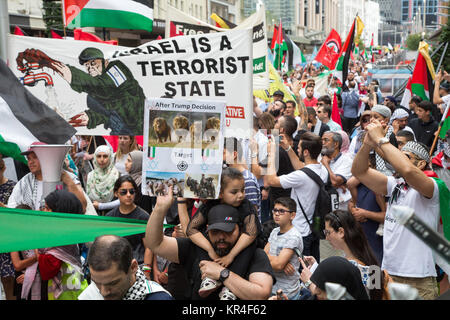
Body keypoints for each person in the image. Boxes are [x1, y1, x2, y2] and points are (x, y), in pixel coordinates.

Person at [352, 121, 442, 299]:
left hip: (418, 279)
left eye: (405, 156)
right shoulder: (395, 184)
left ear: (422, 164)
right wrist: (367, 145)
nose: (398, 161)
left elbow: (408, 170)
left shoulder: (432, 187)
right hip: (388, 273)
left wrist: (380, 139)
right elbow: (358, 171)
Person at [145, 190, 275, 300]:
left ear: (240, 229)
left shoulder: (255, 254)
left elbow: (261, 294)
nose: (221, 237)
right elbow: (155, 243)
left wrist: (222, 273)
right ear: (207, 229)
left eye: (228, 231)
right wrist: (159, 209)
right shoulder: (194, 247)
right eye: (215, 232)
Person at [185, 167, 261, 300]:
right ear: (220, 193)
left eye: (242, 190)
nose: (241, 195)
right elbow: (191, 229)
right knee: (200, 237)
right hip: (214, 252)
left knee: (251, 243)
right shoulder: (210, 204)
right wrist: (209, 250)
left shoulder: (246, 205)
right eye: (234, 192)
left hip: (238, 249)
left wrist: (231, 256)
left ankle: (230, 289)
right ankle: (209, 278)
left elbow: (251, 232)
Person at [51, 47, 146, 135]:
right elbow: (101, 114)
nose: (90, 68)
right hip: (123, 133)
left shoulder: (116, 68)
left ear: (105, 62)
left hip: (142, 127)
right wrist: (66, 122)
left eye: (93, 63)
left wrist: (54, 65)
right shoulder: (94, 96)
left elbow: (103, 87)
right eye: (86, 65)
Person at [265, 132, 328, 262]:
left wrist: (271, 155)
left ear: (305, 152)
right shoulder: (322, 170)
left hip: (299, 231)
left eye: (298, 147)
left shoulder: (300, 176)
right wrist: (288, 148)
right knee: (312, 268)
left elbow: (271, 180)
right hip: (313, 228)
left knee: (299, 271)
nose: (296, 149)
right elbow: (302, 167)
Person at [78, 235, 172, 300]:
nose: (104, 292)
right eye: (96, 283)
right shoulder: (89, 295)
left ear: (133, 267)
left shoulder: (159, 298)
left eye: (113, 283)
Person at [7, 142, 87, 212]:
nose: (30, 162)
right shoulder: (23, 182)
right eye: (28, 158)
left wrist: (69, 181)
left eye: (35, 157)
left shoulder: (69, 177)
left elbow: (82, 207)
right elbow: (12, 206)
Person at [105, 175, 152, 267]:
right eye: (123, 192)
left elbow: (149, 248)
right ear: (116, 193)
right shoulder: (110, 217)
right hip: (116, 265)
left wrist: (146, 271)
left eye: (131, 191)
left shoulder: (143, 217)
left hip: (138, 265)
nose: (128, 195)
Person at [264, 197, 303, 300]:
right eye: (275, 210)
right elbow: (262, 256)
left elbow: (278, 265)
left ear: (292, 215)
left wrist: (280, 263)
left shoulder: (293, 236)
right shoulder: (274, 231)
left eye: (282, 211)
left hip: (287, 292)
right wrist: (278, 261)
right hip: (270, 287)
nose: (276, 214)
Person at [224, 137, 261, 219]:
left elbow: (252, 214)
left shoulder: (247, 180)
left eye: (223, 153)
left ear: (234, 155)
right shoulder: (229, 177)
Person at [319, 131, 353, 210]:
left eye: (326, 140)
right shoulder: (320, 158)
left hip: (340, 208)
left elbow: (335, 182)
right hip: (323, 204)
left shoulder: (347, 161)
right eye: (322, 140)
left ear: (336, 144)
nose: (322, 143)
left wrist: (326, 165)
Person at [0, 156, 17, 300]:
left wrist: (5, 209)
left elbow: (20, 213)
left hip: (7, 240)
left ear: (3, 169)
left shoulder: (13, 187)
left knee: (8, 280)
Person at [86, 145, 120, 215]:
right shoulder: (90, 175)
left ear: (110, 157)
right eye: (99, 156)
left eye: (105, 156)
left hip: (112, 213)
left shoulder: (117, 175)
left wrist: (101, 206)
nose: (101, 159)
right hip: (93, 212)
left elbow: (120, 199)